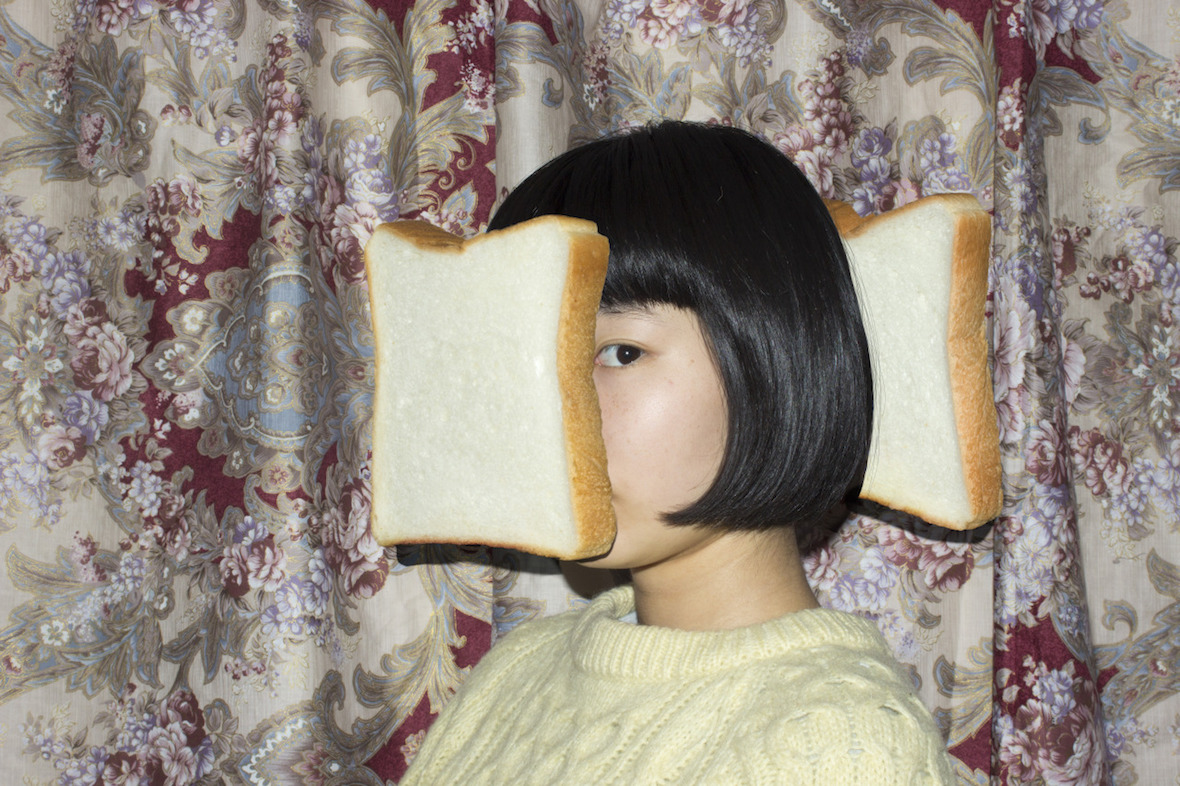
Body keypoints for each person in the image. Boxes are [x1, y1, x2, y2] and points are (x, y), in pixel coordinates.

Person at [399, 121, 952, 784]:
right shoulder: (517, 673)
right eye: (532, 360)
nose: (553, 409)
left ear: (777, 360)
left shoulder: (842, 747)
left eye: (619, 352)